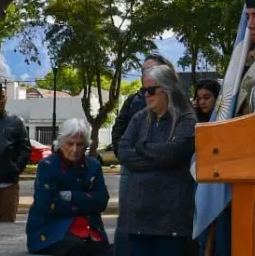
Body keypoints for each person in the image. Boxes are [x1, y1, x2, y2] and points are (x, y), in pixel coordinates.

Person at [118, 65, 197, 256]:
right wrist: (159, 158)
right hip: (138, 212)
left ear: (167, 88)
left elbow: (172, 153)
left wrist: (142, 146)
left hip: (171, 215)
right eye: (144, 90)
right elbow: (123, 152)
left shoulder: (187, 120)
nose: (146, 95)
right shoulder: (139, 118)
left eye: (151, 90)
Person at [111, 53, 175, 256]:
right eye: (143, 70)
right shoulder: (134, 100)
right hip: (132, 167)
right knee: (127, 217)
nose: (146, 73)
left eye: (151, 69)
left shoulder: (177, 104)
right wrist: (125, 155)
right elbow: (119, 130)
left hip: (162, 172)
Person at [26, 118, 110, 255]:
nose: (75, 149)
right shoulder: (47, 166)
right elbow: (48, 204)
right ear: (61, 142)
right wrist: (86, 201)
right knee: (76, 249)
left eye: (80, 144)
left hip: (89, 229)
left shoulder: (93, 166)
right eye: (70, 143)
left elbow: (101, 201)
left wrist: (69, 195)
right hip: (51, 230)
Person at [0, 86, 32, 223]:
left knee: (7, 224)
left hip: (8, 185)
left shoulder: (16, 122)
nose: (0, 101)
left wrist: (14, 169)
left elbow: (25, 149)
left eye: (3, 97)